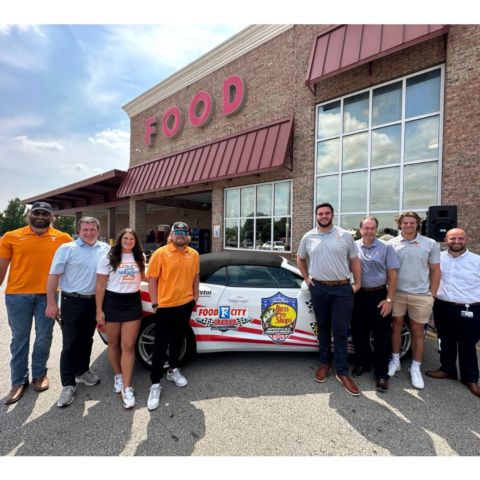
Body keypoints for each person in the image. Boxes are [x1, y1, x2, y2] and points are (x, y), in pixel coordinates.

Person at [0, 202, 72, 405]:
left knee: (44, 337)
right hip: (17, 296)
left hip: (47, 296)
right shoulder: (11, 236)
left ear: (52, 217)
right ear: (29, 215)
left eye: (45, 213)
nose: (40, 216)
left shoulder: (63, 239)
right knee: (19, 338)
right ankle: (18, 381)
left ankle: (39, 374)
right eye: (37, 212)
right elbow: (2, 268)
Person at [297, 203, 362, 396]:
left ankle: (342, 372)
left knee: (340, 331)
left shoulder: (345, 235)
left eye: (327, 213)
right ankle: (324, 364)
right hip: (319, 288)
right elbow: (300, 258)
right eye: (320, 213)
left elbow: (354, 260)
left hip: (342, 288)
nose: (323, 216)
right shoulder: (308, 237)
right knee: (323, 328)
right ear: (316, 215)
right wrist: (307, 278)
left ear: (332, 215)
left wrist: (357, 284)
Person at [46, 217, 110, 407]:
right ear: (79, 231)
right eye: (85, 229)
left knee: (86, 340)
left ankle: (82, 372)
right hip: (71, 301)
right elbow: (53, 276)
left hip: (94, 302)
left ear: (98, 230)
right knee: (70, 344)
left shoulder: (105, 249)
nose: (89, 233)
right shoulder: (67, 249)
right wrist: (51, 302)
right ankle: (67, 385)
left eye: (92, 229)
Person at [146, 222, 199, 411]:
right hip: (165, 306)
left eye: (184, 232)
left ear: (188, 235)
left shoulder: (193, 254)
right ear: (171, 235)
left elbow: (195, 276)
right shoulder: (160, 253)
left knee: (178, 341)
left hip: (185, 305)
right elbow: (151, 279)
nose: (181, 235)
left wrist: (196, 296)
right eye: (177, 232)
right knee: (160, 345)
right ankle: (155, 384)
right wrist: (155, 304)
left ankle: (173, 370)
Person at [387, 211, 441, 389]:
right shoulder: (391, 244)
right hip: (397, 293)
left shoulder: (430, 243)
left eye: (412, 223)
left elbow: (435, 270)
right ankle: (395, 360)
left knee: (418, 331)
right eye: (405, 223)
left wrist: (432, 295)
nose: (408, 226)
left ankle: (415, 368)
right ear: (399, 225)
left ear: (418, 224)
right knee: (396, 326)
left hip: (420, 295)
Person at [426, 228, 480, 398]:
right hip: (443, 306)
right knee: (446, 339)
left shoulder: (476, 260)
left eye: (460, 238)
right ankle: (447, 369)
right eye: (452, 238)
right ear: (445, 240)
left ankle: (470, 378)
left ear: (466, 239)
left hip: (469, 307)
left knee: (468, 344)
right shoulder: (438, 258)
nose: (456, 241)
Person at [96, 228, 146, 409]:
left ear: (135, 241)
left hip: (132, 302)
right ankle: (117, 375)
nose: (128, 241)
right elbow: (100, 285)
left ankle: (127, 387)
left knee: (128, 346)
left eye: (131, 238)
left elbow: (147, 278)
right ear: (120, 240)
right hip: (112, 302)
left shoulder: (140, 258)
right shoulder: (108, 258)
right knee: (113, 344)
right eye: (125, 238)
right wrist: (99, 311)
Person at [351, 216, 399, 392]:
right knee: (359, 333)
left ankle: (381, 374)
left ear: (376, 230)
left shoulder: (387, 247)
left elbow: (393, 275)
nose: (369, 231)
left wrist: (389, 299)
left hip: (379, 295)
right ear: (360, 229)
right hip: (358, 295)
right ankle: (362, 363)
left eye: (372, 228)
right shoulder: (353, 246)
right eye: (366, 228)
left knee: (381, 337)